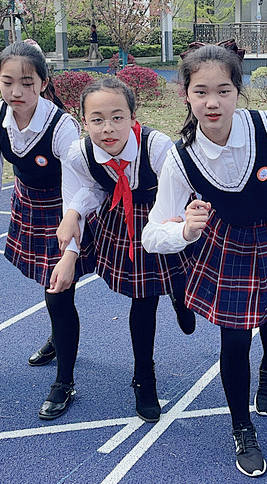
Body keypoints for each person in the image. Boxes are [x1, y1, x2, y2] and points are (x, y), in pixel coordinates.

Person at [142, 44, 267, 478]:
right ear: (186, 95)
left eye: (223, 90)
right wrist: (185, 230)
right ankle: (242, 426)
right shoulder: (180, 157)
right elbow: (152, 234)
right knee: (234, 339)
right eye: (201, 92)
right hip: (226, 244)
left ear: (238, 90)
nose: (212, 102)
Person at [55, 76, 195, 423]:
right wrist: (73, 219)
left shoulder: (158, 147)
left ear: (134, 117)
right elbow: (86, 191)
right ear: (83, 121)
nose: (107, 128)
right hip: (118, 218)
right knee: (142, 295)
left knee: (162, 283)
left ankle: (145, 376)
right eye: (97, 119)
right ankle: (142, 378)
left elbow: (182, 187)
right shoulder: (78, 152)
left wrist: (175, 224)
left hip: (163, 212)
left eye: (117, 117)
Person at [0, 41, 82, 420]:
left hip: (69, 207)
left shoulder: (62, 126)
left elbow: (78, 191)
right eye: (7, 82)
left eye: (26, 82)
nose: (16, 92)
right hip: (27, 204)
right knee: (48, 284)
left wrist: (70, 253)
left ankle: (64, 382)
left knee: (59, 290)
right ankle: (58, 339)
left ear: (42, 82)